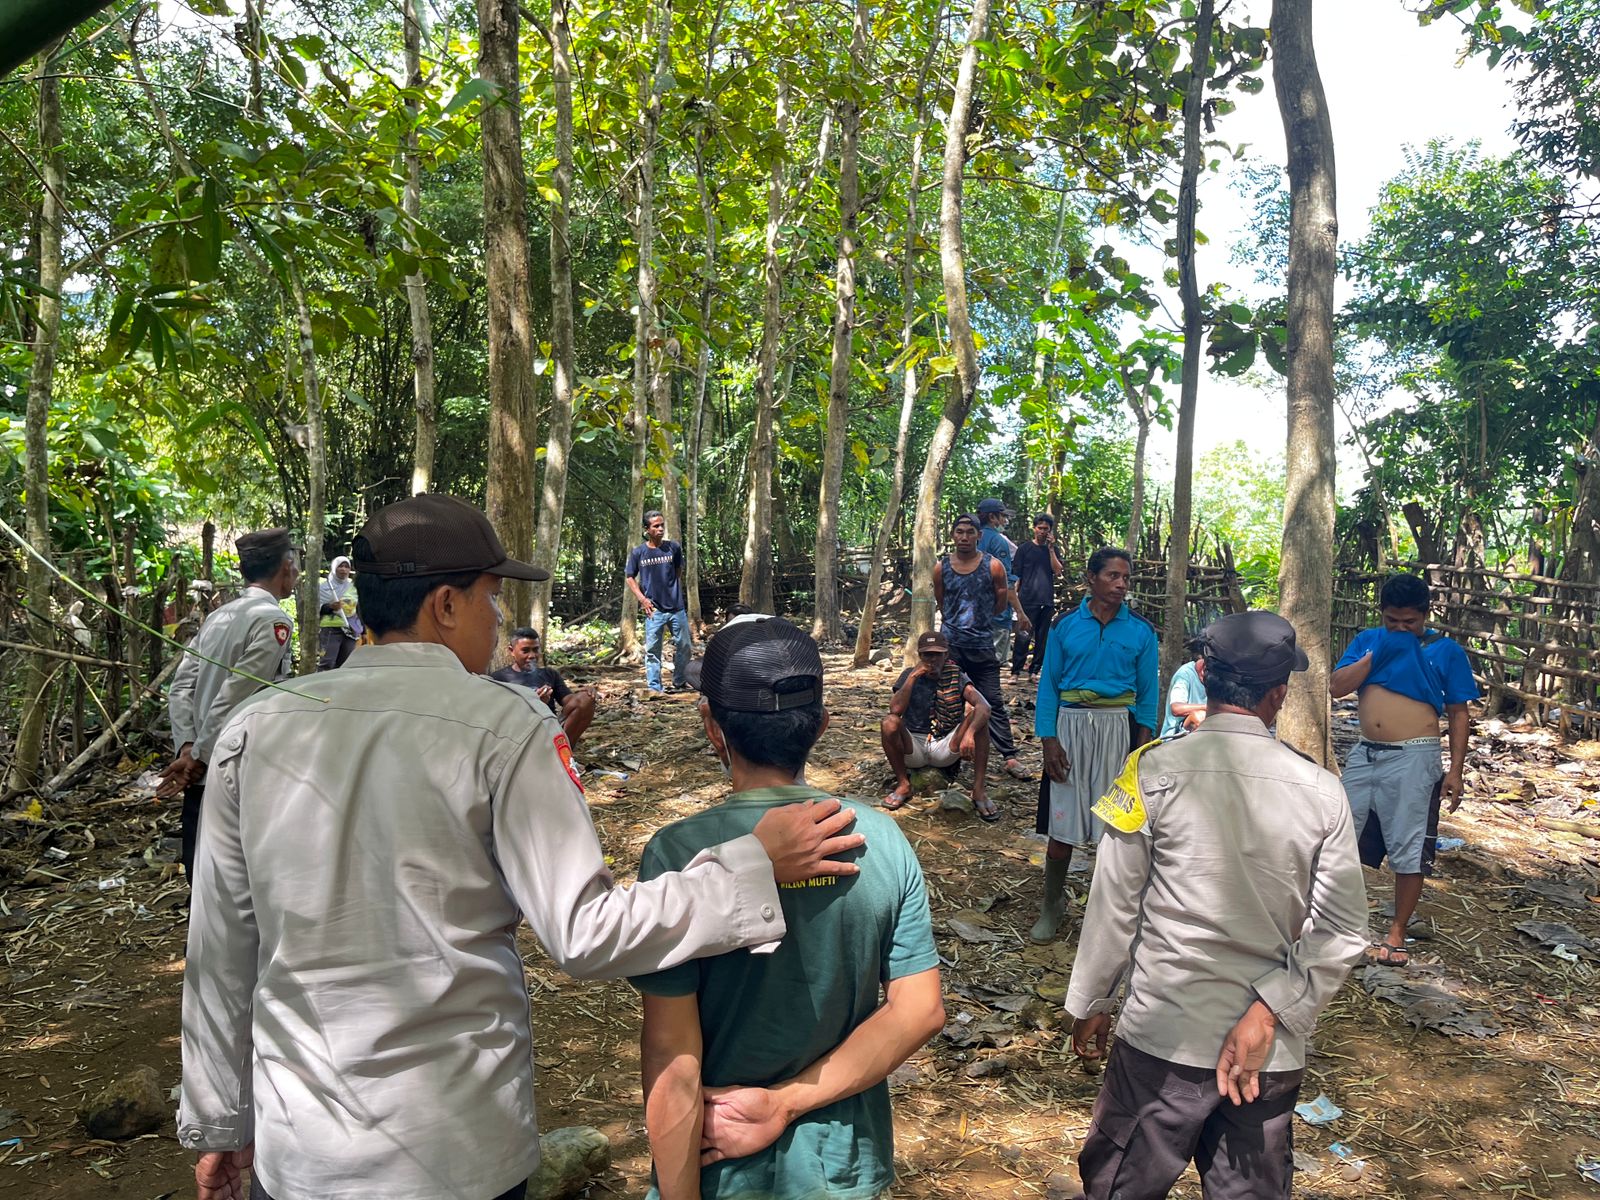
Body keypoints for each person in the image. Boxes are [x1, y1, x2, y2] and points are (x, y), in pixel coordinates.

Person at [177, 493, 867, 1200]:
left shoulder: (257, 728)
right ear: (446, 604)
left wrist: (219, 1122)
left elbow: (222, 948)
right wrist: (751, 863)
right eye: (491, 597)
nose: (499, 618)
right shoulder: (503, 727)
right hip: (452, 1146)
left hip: (299, 1149)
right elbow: (585, 934)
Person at [632, 616, 945, 1200]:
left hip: (717, 1170)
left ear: (712, 725)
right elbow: (920, 1010)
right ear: (821, 725)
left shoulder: (677, 853)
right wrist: (786, 1102)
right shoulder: (880, 838)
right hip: (839, 1165)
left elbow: (672, 1050)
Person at [1064, 611, 1369, 1200]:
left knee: (1120, 1184)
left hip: (1164, 1036)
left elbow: (1114, 904)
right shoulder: (1324, 792)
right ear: (1279, 694)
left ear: (1201, 675)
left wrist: (1093, 1002)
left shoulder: (1150, 771)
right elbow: (1341, 928)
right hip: (1266, 1054)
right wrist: (1269, 1012)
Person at [1330, 572, 1478, 967]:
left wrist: (1455, 770)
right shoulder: (1368, 641)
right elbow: (1337, 686)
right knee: (1339, 835)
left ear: (1425, 615)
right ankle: (1337, 926)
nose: (1400, 628)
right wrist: (1379, 653)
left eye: (1409, 622)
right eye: (1392, 620)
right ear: (1382, 614)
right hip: (1365, 753)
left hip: (1414, 756)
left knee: (1410, 846)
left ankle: (1396, 934)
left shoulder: (1444, 651)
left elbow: (1459, 713)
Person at [156, 528, 299, 886]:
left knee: (200, 866)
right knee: (239, 872)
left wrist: (188, 746)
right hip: (238, 765)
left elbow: (182, 687)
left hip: (202, 768)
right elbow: (235, 694)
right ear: (286, 566)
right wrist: (198, 756)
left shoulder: (218, 616)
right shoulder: (273, 620)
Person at [1031, 546, 1158, 943]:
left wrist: (1138, 753)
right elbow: (1049, 686)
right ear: (1091, 578)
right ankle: (1052, 904)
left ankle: (1107, 912)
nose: (1121, 584)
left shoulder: (1141, 631)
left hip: (1118, 727)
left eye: (1126, 578)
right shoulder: (1065, 625)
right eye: (1112, 576)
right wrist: (1049, 740)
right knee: (1061, 824)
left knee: (1115, 827)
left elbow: (1148, 696)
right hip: (1069, 727)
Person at [933, 514, 1030, 783]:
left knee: (992, 701)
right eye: (959, 532)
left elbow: (1000, 602)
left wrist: (979, 622)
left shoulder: (993, 566)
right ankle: (945, 755)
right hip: (951, 647)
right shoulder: (942, 567)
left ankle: (1009, 756)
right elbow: (942, 600)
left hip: (982, 645)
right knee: (947, 700)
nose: (964, 537)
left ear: (979, 535)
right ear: (953, 535)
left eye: (970, 532)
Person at [881, 630, 994, 819]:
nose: (932, 660)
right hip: (914, 745)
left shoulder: (957, 676)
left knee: (980, 720)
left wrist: (969, 734)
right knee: (888, 722)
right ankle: (903, 784)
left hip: (945, 744)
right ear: (920, 655)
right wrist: (913, 677)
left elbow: (984, 706)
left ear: (946, 655)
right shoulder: (909, 675)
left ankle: (979, 789)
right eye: (927, 655)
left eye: (937, 655)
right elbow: (895, 709)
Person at [491, 626, 597, 748]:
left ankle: (562, 751)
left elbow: (570, 701)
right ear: (512, 651)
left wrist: (585, 693)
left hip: (549, 729)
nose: (532, 655)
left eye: (535, 650)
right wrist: (536, 704)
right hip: (518, 735)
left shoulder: (549, 674)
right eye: (525, 651)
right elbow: (497, 717)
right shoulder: (499, 678)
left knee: (586, 699)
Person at [626, 509, 693, 694]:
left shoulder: (673, 548)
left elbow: (678, 571)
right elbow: (630, 577)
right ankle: (655, 687)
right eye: (656, 526)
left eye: (662, 525)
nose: (661, 529)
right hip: (653, 610)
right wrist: (642, 599)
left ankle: (679, 681)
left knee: (685, 646)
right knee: (653, 650)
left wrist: (672, 590)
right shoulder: (638, 552)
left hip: (676, 608)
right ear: (647, 529)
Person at [975, 498, 1032, 665]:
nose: (1005, 521)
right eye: (1003, 516)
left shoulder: (972, 538)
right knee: (992, 664)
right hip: (996, 615)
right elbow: (1006, 584)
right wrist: (1020, 612)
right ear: (992, 517)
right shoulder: (998, 541)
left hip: (973, 614)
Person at [1010, 513, 1064, 678]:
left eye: (1045, 529)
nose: (1042, 531)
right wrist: (1015, 600)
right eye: (1039, 528)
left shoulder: (1053, 550)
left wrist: (1051, 549)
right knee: (1023, 636)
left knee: (1042, 638)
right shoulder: (1024, 549)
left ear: (1050, 531)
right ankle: (1016, 671)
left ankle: (1034, 671)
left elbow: (1058, 570)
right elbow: (1016, 575)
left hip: (1046, 599)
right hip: (1027, 598)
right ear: (1034, 529)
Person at [316, 554, 361, 670]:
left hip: (351, 629)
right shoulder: (325, 587)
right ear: (334, 568)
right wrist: (330, 607)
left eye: (346, 567)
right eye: (340, 566)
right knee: (327, 662)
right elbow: (316, 608)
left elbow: (359, 608)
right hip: (331, 629)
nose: (343, 569)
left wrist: (362, 629)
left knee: (346, 663)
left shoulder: (353, 587)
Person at [1158, 637, 1208, 739]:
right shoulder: (1185, 674)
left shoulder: (1218, 676)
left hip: (1202, 736)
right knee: (1199, 717)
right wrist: (1208, 707)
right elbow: (1176, 708)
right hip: (1175, 736)